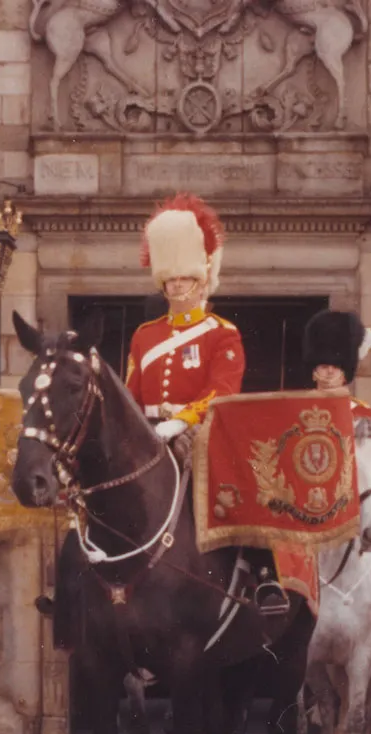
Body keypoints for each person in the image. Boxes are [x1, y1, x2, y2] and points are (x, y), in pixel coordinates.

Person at [127, 193, 287, 618]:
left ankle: (263, 571)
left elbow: (221, 391)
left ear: (202, 280)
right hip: (146, 431)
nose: (177, 288)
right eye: (171, 281)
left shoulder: (222, 334)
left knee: (237, 483)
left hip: (196, 430)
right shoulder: (144, 335)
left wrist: (179, 422)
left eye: (185, 280)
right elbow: (131, 392)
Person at [302, 308, 371, 421]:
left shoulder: (361, 412)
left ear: (345, 374)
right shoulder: (300, 407)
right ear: (314, 372)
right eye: (324, 366)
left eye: (336, 367)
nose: (330, 371)